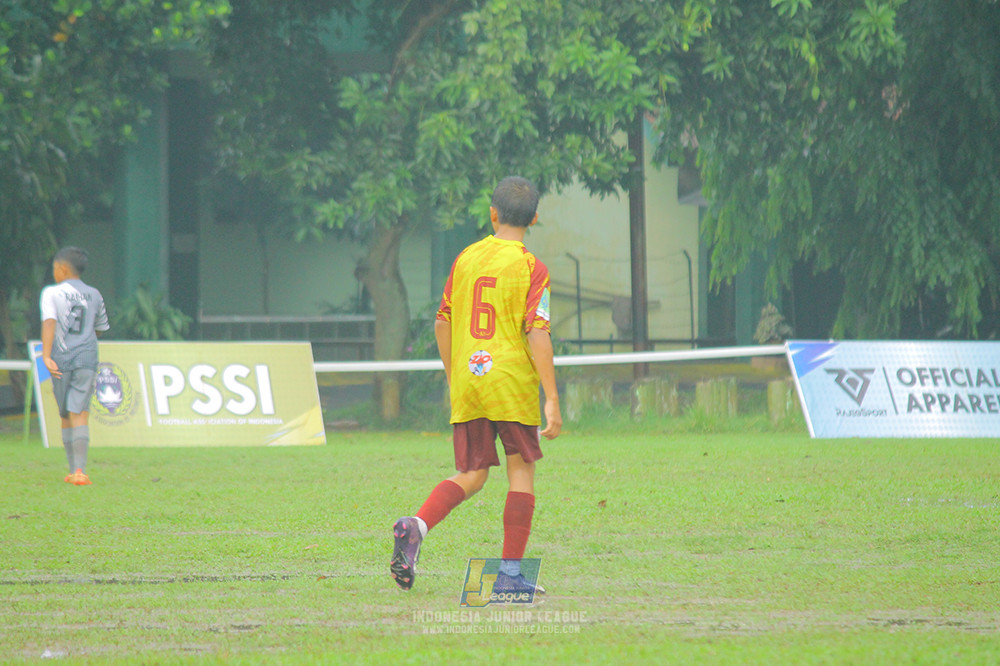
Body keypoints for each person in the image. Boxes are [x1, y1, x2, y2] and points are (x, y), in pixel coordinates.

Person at [391, 176, 561, 594]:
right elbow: (537, 331)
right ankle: (510, 577)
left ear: (492, 213)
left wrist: (455, 377)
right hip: (509, 381)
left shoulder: (466, 256)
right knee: (521, 471)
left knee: (472, 472)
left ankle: (417, 525)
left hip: (469, 376)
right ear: (535, 218)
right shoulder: (531, 267)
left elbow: (442, 320)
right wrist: (552, 399)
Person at [40, 247, 110, 486]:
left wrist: (46, 355)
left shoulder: (51, 293)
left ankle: (75, 469)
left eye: (54, 269)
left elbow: (49, 322)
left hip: (60, 358)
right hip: (87, 358)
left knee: (65, 413)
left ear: (62, 269)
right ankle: (78, 470)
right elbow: (100, 328)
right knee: (78, 411)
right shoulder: (95, 294)